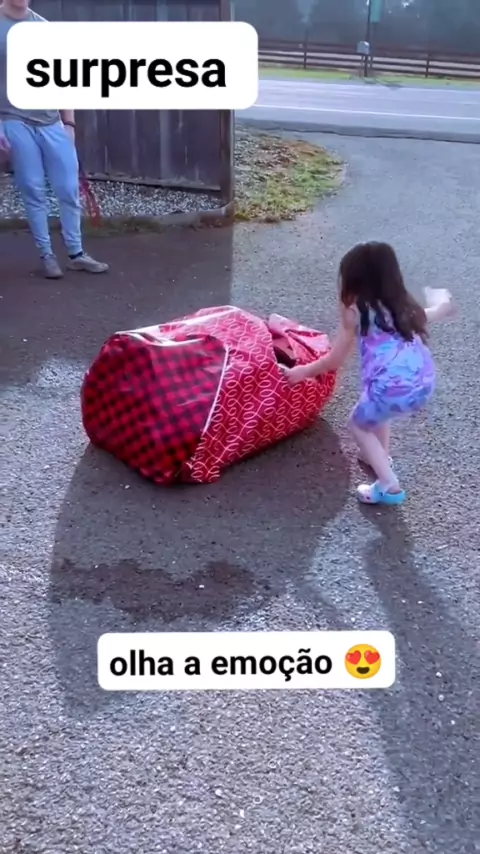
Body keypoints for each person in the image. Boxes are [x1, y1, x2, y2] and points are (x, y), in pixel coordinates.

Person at [282, 241, 457, 506]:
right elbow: (430, 314)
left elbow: (335, 359)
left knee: (358, 425)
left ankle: (388, 485)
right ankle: (380, 456)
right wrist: (443, 304)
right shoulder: (400, 304)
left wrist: (303, 371)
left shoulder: (355, 310)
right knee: (377, 410)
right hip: (423, 382)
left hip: (390, 386)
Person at [0, 0, 108, 278]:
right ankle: (47, 255)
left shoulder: (44, 28)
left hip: (51, 122)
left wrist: (68, 122)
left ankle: (76, 254)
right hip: (14, 119)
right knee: (33, 189)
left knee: (68, 189)